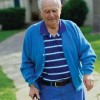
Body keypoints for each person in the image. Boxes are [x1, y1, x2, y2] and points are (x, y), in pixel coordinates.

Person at [20, 0, 96, 100]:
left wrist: (88, 73)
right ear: (41, 12)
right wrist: (32, 84)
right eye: (47, 11)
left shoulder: (72, 28)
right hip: (47, 92)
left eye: (54, 10)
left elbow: (87, 53)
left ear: (60, 8)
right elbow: (26, 63)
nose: (51, 15)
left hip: (73, 90)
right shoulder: (31, 33)